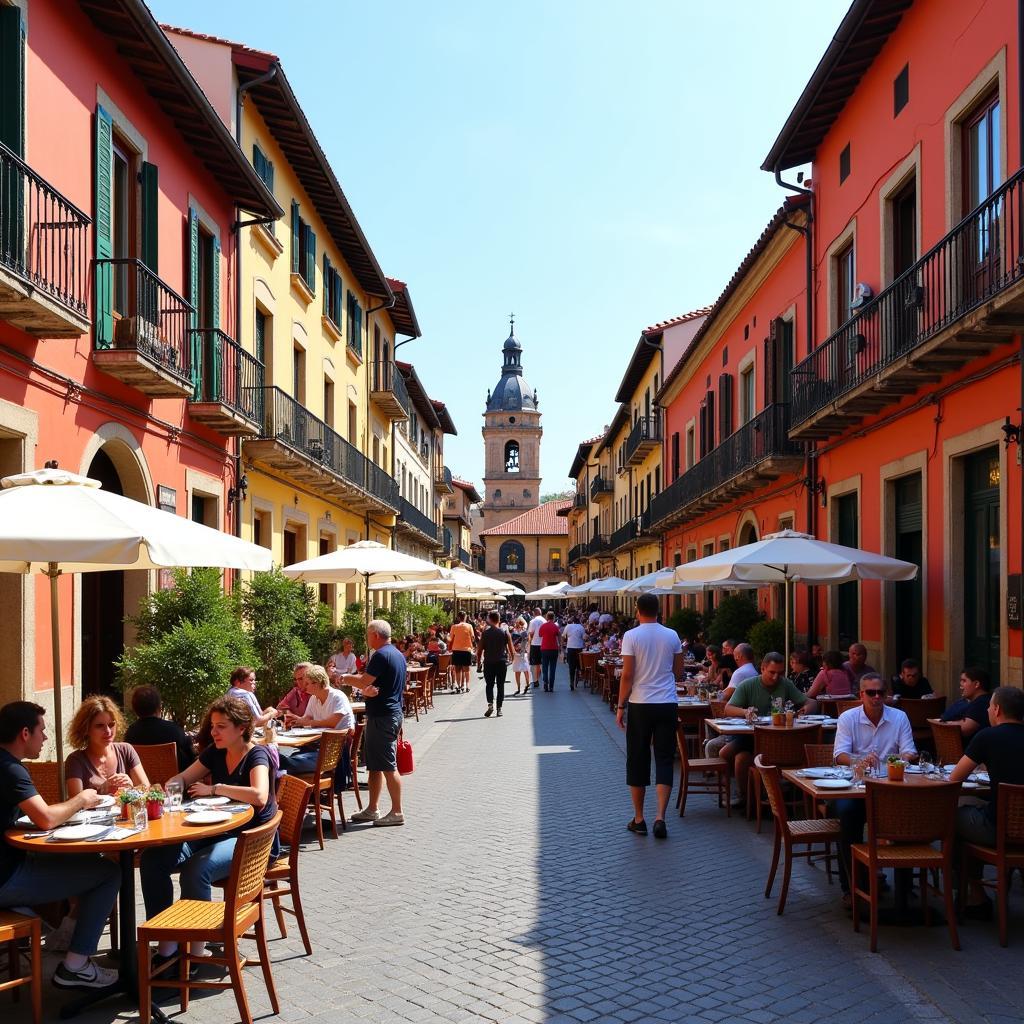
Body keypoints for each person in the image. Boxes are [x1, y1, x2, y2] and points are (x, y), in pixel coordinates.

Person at [140, 696, 277, 961]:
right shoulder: (216, 752)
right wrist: (171, 787)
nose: (214, 731)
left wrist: (214, 788)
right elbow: (184, 777)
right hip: (217, 829)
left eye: (221, 726)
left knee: (196, 869)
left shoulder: (256, 754)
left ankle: (196, 952)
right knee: (153, 860)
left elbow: (259, 795)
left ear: (241, 728)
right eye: (213, 725)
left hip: (252, 839)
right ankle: (167, 942)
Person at [0, 701, 121, 990]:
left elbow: (34, 816)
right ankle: (76, 965)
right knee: (108, 872)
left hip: (13, 865)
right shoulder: (11, 770)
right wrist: (82, 799)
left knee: (81, 867)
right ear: (25, 733)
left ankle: (62, 934)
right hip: (6, 878)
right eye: (42, 730)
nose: (45, 737)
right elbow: (44, 818)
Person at [831, 672, 917, 905]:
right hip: (856, 787)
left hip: (891, 788)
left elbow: (910, 751)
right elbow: (840, 755)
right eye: (871, 692)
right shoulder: (848, 718)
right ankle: (851, 887)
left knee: (909, 815)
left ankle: (905, 889)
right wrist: (857, 762)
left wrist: (897, 760)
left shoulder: (899, 717)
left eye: (881, 692)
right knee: (848, 813)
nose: (876, 697)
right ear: (861, 695)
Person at [950, 685, 1024, 916]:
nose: (988, 711)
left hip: (998, 829)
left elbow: (954, 778)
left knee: (950, 818)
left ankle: (974, 895)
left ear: (998, 709)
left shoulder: (987, 736)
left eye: (990, 707)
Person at [616, 593, 684, 840]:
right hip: (667, 702)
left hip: (640, 703)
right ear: (659, 610)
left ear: (637, 610)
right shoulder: (672, 635)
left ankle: (639, 818)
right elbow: (678, 671)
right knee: (665, 759)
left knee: (638, 758)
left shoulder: (631, 636)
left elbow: (627, 675)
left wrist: (621, 705)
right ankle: (660, 817)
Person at [340, 620, 407, 827]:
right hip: (389, 713)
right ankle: (372, 808)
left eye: (368, 635)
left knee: (387, 765)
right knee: (375, 766)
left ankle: (396, 811)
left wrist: (344, 678)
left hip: (383, 716)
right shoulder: (397, 654)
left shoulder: (380, 655)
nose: (367, 639)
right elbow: (381, 685)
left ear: (375, 635)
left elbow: (364, 681)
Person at [722, 653, 810, 807]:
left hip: (782, 741)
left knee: (735, 756)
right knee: (732, 755)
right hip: (753, 737)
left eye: (780, 673)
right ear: (762, 669)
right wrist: (745, 712)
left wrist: (805, 710)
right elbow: (728, 708)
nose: (776, 677)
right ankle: (747, 798)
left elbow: (809, 702)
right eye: (772, 672)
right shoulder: (748, 685)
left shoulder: (786, 683)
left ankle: (764, 795)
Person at [64, 695, 150, 797]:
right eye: (100, 726)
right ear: (86, 729)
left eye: (111, 724)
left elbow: (147, 792)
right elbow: (75, 804)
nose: (108, 731)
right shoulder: (75, 761)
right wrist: (102, 791)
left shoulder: (126, 750)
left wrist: (131, 788)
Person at [278, 665, 354, 774]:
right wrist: (295, 720)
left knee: (288, 763)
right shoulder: (314, 698)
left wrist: (309, 722)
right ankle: (282, 763)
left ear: (317, 683)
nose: (305, 686)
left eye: (307, 683)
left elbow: (332, 723)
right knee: (291, 761)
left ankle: (279, 761)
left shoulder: (338, 697)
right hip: (319, 747)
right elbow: (306, 718)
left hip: (335, 752)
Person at [124, 685, 195, 773]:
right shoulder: (173, 730)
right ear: (159, 708)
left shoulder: (130, 733)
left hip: (141, 783)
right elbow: (191, 758)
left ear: (135, 710)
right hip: (174, 783)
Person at [478, 610, 515, 718]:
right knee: (500, 685)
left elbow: (479, 650)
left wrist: (479, 663)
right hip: (501, 662)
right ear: (499, 620)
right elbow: (511, 648)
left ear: (489, 620)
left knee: (489, 685)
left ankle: (490, 704)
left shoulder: (485, 633)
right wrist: (513, 659)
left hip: (489, 662)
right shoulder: (505, 632)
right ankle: (499, 708)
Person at [940, 666, 993, 738]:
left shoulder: (981, 703)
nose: (960, 685)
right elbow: (944, 716)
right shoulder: (967, 702)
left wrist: (948, 723)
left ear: (976, 684)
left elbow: (965, 729)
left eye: (964, 681)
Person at [449, 612, 476, 693]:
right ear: (465, 617)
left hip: (456, 649)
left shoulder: (454, 627)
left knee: (457, 669)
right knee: (466, 669)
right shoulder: (469, 626)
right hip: (466, 649)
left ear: (458, 617)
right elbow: (473, 637)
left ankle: (458, 686)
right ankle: (466, 686)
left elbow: (450, 638)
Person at [538, 611, 561, 692]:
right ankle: (551, 686)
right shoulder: (555, 626)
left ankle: (545, 682)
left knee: (544, 667)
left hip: (544, 649)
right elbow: (559, 635)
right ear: (553, 617)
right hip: (554, 649)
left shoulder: (543, 626)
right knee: (553, 668)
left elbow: (540, 635)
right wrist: (560, 646)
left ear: (547, 617)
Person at [563, 616, 586, 690]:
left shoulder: (568, 626)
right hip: (579, 648)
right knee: (579, 665)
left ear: (572, 621)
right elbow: (584, 637)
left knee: (571, 667)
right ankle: (579, 674)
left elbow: (563, 636)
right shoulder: (581, 627)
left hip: (570, 648)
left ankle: (571, 682)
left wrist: (566, 641)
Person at [510, 616, 531, 695]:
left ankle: (519, 688)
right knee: (525, 670)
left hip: (517, 653)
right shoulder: (525, 632)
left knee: (517, 671)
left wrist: (512, 653)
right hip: (523, 653)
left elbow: (512, 643)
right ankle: (527, 684)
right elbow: (528, 642)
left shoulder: (514, 632)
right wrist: (528, 651)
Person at [527, 607, 546, 689]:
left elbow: (531, 633)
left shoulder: (533, 621)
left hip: (535, 644)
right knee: (542, 663)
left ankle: (535, 680)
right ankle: (545, 680)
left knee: (534, 664)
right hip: (543, 644)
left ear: (534, 613)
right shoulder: (545, 621)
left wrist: (529, 643)